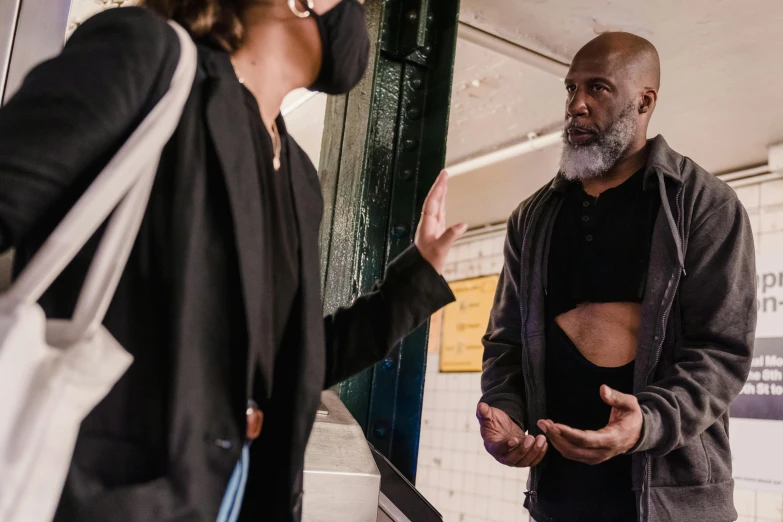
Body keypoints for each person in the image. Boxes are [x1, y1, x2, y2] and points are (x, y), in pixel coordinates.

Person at [0, 1, 467, 521]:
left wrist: (415, 279)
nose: (357, 16)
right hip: (103, 497)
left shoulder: (299, 178)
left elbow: (293, 367)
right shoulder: (148, 58)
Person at [476, 32, 756, 522]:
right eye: (570, 89)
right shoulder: (534, 217)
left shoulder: (704, 206)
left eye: (598, 88)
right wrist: (504, 413)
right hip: (559, 499)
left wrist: (645, 423)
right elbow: (506, 344)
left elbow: (722, 352)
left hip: (672, 505)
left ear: (645, 101)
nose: (576, 105)